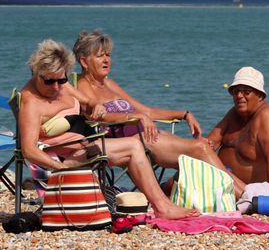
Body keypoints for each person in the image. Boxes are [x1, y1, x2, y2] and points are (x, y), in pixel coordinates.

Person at [18, 39, 197, 219]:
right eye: (50, 81)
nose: (56, 87)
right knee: (133, 147)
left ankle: (164, 205)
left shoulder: (62, 86)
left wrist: (97, 105)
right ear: (37, 73)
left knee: (133, 148)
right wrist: (59, 167)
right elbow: (29, 150)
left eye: (61, 79)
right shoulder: (32, 103)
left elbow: (88, 101)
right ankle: (162, 207)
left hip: (86, 146)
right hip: (67, 157)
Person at [72, 30, 245, 197]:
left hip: (150, 136)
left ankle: (246, 192)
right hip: (136, 142)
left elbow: (147, 111)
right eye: (100, 55)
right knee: (200, 148)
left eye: (108, 55)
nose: (106, 60)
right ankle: (245, 196)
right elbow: (100, 117)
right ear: (84, 62)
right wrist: (136, 117)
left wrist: (184, 114)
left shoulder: (108, 83)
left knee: (203, 147)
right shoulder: (82, 88)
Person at [207, 67, 269, 195]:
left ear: (260, 95)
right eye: (236, 91)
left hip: (248, 195)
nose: (239, 96)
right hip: (219, 187)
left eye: (246, 91)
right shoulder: (234, 113)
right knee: (178, 179)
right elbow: (208, 145)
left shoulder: (268, 117)